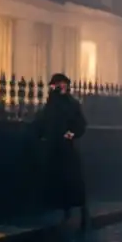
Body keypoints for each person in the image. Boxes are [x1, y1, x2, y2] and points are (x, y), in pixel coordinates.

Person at [31, 73, 89, 231]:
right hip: (53, 145)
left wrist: (71, 134)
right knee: (58, 179)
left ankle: (80, 210)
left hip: (66, 147)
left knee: (73, 180)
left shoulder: (72, 104)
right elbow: (43, 121)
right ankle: (64, 210)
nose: (58, 88)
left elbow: (81, 124)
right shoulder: (51, 103)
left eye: (61, 85)